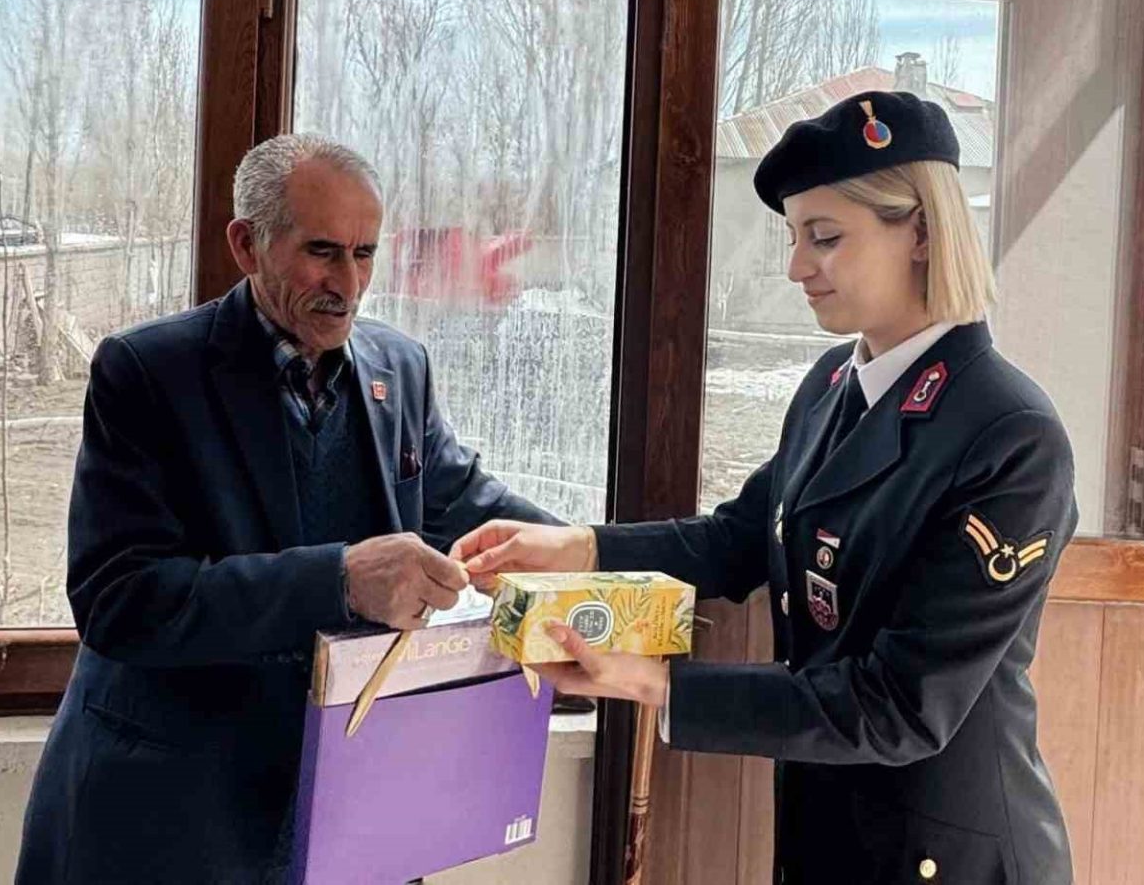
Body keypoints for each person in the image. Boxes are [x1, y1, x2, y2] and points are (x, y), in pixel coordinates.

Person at [454, 91, 1077, 884]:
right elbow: (740, 537)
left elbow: (901, 706)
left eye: (825, 237)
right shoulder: (830, 386)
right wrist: (579, 548)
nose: (796, 267)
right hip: (826, 830)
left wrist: (657, 683)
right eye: (794, 237)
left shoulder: (1009, 435)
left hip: (945, 855)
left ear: (922, 232)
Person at [16, 134, 561, 883]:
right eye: (322, 252)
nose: (349, 283)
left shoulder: (400, 368)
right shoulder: (147, 372)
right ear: (247, 244)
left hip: (349, 811)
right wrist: (338, 580)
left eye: (365, 253)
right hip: (169, 822)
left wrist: (601, 562)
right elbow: (120, 602)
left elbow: (469, 504)